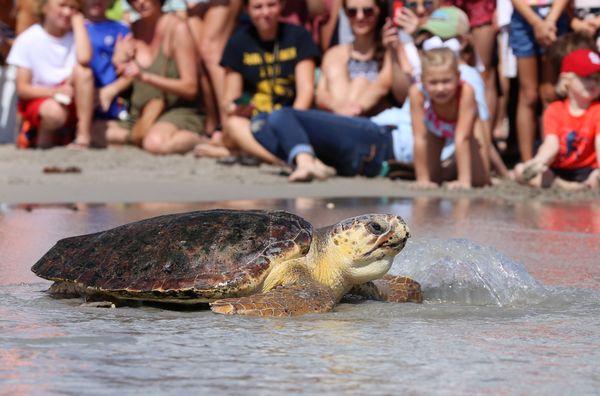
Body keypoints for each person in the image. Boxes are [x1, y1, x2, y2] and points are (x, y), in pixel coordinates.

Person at [195, 0, 321, 181]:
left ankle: (243, 152)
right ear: (247, 9)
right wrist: (238, 107)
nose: (265, 13)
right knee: (233, 124)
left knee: (228, 137)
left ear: (282, 6)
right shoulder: (238, 42)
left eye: (271, 5)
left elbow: (306, 91)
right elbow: (229, 99)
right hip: (255, 124)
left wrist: (290, 125)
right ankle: (287, 161)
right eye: (258, 7)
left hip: (291, 120)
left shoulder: (298, 36)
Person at [107, 0, 205, 154]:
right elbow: (123, 76)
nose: (140, 2)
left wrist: (147, 77)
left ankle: (201, 141)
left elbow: (190, 88)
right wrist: (118, 60)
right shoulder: (132, 30)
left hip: (175, 109)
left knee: (155, 143)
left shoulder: (178, 29)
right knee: (94, 130)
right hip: (140, 112)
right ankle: (136, 135)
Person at [7, 0, 95, 149]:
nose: (68, 12)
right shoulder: (28, 39)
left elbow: (84, 59)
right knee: (54, 113)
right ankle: (41, 138)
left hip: (71, 98)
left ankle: (82, 135)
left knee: (84, 73)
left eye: (73, 8)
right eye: (62, 5)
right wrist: (54, 92)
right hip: (42, 99)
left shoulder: (77, 36)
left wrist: (79, 25)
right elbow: (22, 89)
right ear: (45, 7)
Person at [514, 49, 600, 189]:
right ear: (567, 80)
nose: (593, 83)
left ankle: (580, 184)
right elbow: (551, 144)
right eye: (587, 77)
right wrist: (539, 162)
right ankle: (564, 184)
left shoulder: (597, 110)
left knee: (597, 176)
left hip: (587, 169)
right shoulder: (555, 110)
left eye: (597, 78)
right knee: (520, 170)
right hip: (558, 168)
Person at [410, 47, 489, 188]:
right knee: (433, 179)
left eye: (446, 81)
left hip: (468, 130)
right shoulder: (417, 93)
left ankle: (470, 171)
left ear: (458, 77)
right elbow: (419, 137)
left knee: (479, 181)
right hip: (435, 127)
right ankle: (452, 168)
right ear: (422, 80)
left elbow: (462, 137)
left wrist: (463, 182)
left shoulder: (466, 91)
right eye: (433, 83)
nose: (440, 88)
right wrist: (422, 179)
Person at [509, 0, 569, 161]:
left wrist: (550, 20)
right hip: (524, 17)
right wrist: (536, 22)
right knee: (529, 95)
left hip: (555, 17)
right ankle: (528, 161)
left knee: (550, 93)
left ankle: (551, 160)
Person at [316, 0, 391, 116]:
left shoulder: (389, 51)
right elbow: (320, 94)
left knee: (359, 83)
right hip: (341, 117)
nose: (360, 17)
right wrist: (339, 108)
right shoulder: (334, 54)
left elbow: (383, 86)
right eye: (352, 12)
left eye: (367, 11)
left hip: (373, 123)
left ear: (378, 11)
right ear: (345, 13)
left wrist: (352, 111)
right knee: (335, 68)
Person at [74, 0, 130, 147]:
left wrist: (111, 90)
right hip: (78, 98)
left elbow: (132, 71)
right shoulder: (73, 26)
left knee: (107, 132)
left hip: (111, 102)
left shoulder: (121, 29)